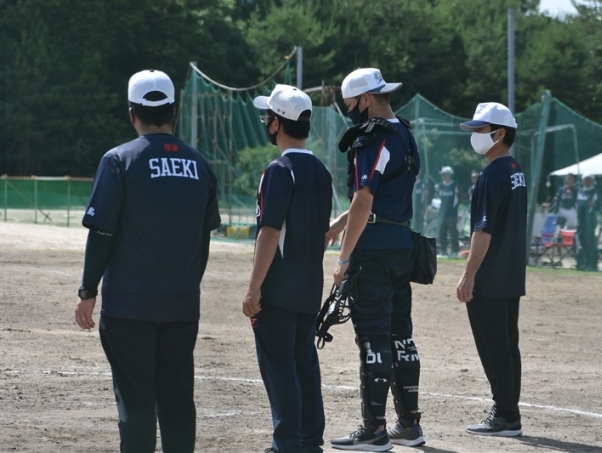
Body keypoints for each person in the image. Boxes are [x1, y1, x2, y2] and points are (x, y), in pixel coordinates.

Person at [74, 69, 222, 452]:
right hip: (182, 306)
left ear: (131, 113)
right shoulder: (200, 165)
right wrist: (185, 287)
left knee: (136, 403)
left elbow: (102, 232)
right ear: (174, 110)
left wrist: (88, 290)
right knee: (177, 402)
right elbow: (202, 242)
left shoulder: (119, 161)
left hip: (129, 308)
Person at [325, 68, 424, 451]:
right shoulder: (404, 133)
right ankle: (409, 425)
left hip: (374, 252)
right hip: (402, 245)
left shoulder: (371, 137)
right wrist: (337, 226)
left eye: (350, 104)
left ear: (365, 100)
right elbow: (378, 199)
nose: (350, 111)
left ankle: (374, 430)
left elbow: (364, 199)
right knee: (401, 336)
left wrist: (344, 256)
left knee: (373, 336)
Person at [243, 84, 332, 453]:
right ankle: (310, 441)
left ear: (277, 123)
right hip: (310, 288)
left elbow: (270, 232)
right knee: (304, 365)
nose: (266, 122)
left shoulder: (279, 170)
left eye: (268, 116)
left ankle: (288, 444)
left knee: (279, 367)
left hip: (279, 289)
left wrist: (254, 287)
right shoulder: (322, 172)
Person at [456, 102, 526, 437]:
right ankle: (509, 411)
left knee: (494, 345)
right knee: (507, 344)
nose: (475, 135)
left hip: (490, 278)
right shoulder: (515, 170)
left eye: (480, 130)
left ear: (498, 134)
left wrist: (468, 274)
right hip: (510, 272)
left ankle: (506, 415)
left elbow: (483, 230)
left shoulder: (491, 174)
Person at [575, 174, 600, 271]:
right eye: (585, 180)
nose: (587, 182)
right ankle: (583, 262)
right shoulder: (579, 191)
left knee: (589, 241)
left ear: (593, 181)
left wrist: (593, 204)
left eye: (589, 180)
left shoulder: (595, 192)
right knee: (581, 241)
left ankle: (591, 263)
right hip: (580, 220)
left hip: (590, 220)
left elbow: (599, 207)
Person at [437, 166, 460, 258]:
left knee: (453, 232)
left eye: (444, 174)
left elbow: (458, 199)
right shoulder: (440, 186)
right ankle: (443, 251)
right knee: (442, 232)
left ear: (449, 175)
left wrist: (455, 211)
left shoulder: (455, 185)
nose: (442, 176)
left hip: (452, 214)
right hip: (442, 214)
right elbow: (439, 199)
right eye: (442, 174)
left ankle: (455, 251)